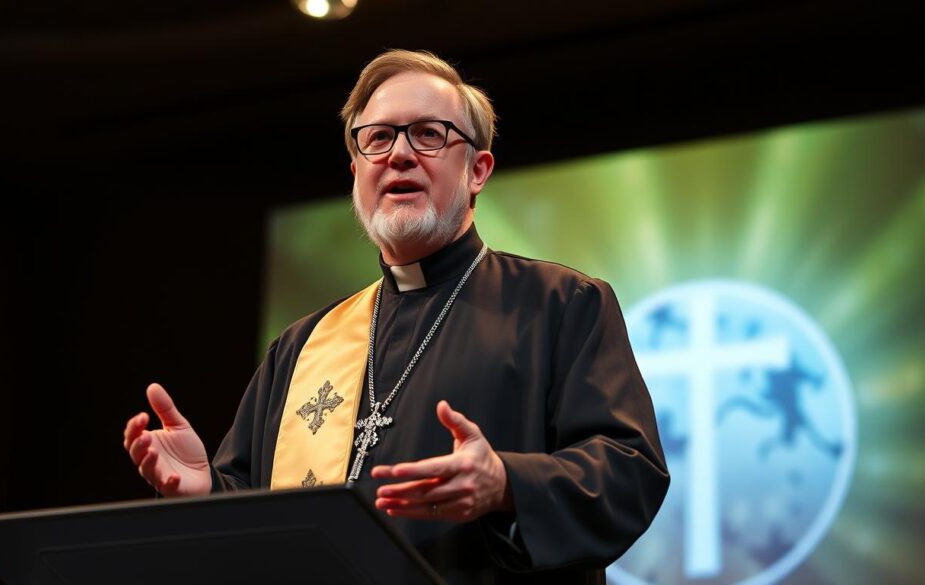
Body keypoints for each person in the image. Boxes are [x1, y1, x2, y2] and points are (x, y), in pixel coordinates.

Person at [123, 49, 669, 584]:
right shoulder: (302, 346)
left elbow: (629, 472)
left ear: (478, 170)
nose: (399, 155)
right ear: (356, 169)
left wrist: (506, 483)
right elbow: (263, 524)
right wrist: (205, 494)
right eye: (378, 138)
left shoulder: (561, 304)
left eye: (429, 134)